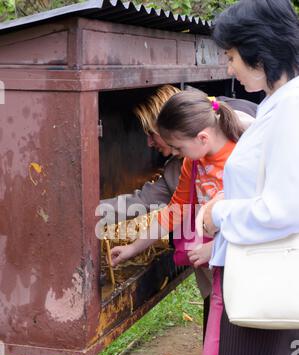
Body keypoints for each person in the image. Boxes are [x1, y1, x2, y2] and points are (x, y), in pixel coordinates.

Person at [201, 0, 299, 355]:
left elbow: (283, 209)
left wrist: (218, 213)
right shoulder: (279, 103)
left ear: (259, 55)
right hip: (270, 278)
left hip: (263, 282)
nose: (230, 67)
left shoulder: (290, 112)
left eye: (232, 56)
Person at [109, 90, 244, 355]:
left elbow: (255, 213)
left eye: (180, 147)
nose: (176, 153)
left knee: (237, 354)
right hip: (219, 276)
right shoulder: (192, 164)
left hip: (246, 270)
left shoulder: (242, 157)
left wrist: (216, 248)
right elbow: (175, 211)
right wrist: (134, 247)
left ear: (200, 137)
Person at [100, 85, 257, 300]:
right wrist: (131, 245)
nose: (148, 142)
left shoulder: (246, 147)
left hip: (249, 265)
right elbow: (168, 208)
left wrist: (218, 248)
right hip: (214, 265)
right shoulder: (186, 165)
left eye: (151, 133)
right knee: (216, 311)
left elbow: (260, 212)